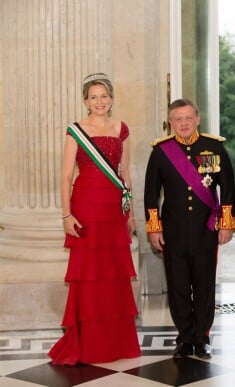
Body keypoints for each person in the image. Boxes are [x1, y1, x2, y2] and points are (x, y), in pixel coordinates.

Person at [49, 73, 141, 365]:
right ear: (85, 101)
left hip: (114, 210)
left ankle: (115, 342)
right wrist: (66, 214)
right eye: (93, 97)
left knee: (113, 274)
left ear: (111, 99)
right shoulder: (76, 130)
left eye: (104, 96)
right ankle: (87, 343)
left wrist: (131, 213)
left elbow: (125, 173)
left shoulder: (121, 129)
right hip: (86, 207)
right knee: (88, 275)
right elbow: (65, 176)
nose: (99, 101)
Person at [144, 98, 235, 359]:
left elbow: (228, 189)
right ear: (170, 123)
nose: (183, 123)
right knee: (178, 286)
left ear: (197, 119)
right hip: (173, 233)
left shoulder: (213, 147)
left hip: (205, 230)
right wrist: (154, 229)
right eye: (177, 119)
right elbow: (151, 195)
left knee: (204, 286)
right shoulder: (161, 151)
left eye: (188, 118)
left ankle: (202, 337)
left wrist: (226, 224)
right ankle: (184, 338)